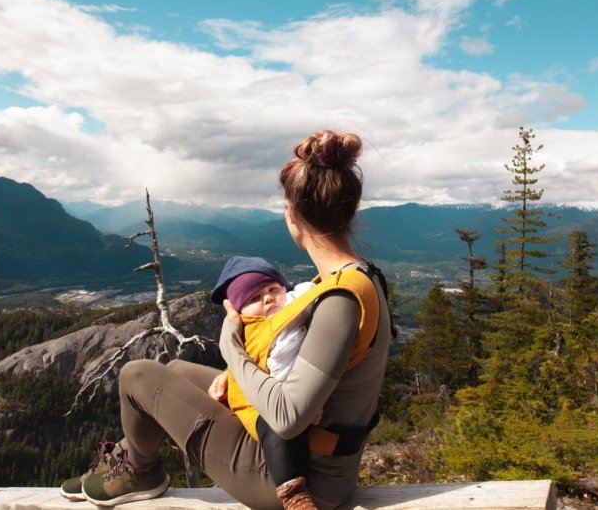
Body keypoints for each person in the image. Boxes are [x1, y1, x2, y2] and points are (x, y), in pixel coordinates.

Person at [60, 129, 392, 509]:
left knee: (136, 375)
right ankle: (128, 460)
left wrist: (231, 348)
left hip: (298, 479)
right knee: (178, 372)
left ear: (292, 214)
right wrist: (239, 375)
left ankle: (141, 469)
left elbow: (286, 418)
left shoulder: (340, 300)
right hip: (315, 459)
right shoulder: (356, 278)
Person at [207, 255, 319, 508]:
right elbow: (251, 356)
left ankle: (298, 491)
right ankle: (293, 495)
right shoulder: (251, 329)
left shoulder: (291, 311)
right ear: (240, 312)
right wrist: (228, 372)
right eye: (254, 298)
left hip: (291, 396)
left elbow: (310, 292)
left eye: (272, 289)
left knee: (284, 426)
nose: (267, 298)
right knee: (276, 428)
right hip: (255, 402)